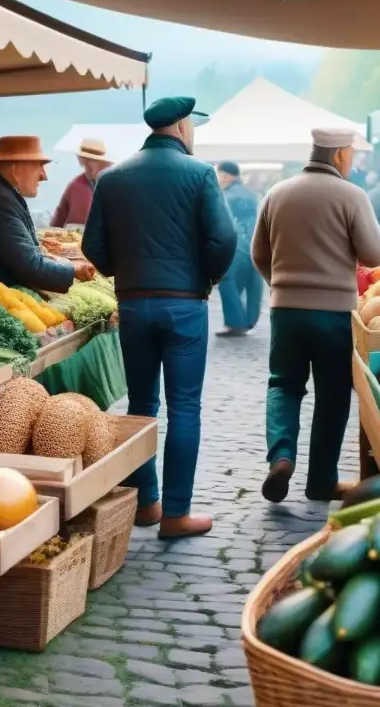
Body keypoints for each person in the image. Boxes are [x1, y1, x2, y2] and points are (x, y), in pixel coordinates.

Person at [82, 97, 236, 539]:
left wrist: (121, 272)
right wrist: (207, 277)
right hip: (185, 303)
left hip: (133, 304)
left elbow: (94, 245)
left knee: (142, 404)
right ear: (183, 129)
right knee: (185, 406)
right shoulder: (201, 173)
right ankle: (177, 513)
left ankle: (146, 503)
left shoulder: (112, 177)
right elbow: (224, 237)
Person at [252, 128, 380, 503]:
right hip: (333, 314)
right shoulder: (351, 195)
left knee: (283, 384)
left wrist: (280, 285)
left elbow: (259, 255)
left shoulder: (277, 193)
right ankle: (321, 481)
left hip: (285, 312)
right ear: (341, 156)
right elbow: (376, 253)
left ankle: (281, 457)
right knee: (332, 396)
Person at [0, 135, 93, 290]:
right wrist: (73, 269)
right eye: (39, 166)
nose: (44, 176)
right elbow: (31, 268)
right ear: (15, 171)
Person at [216, 160, 263, 336]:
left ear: (226, 175)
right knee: (250, 281)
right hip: (254, 241)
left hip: (236, 242)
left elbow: (220, 220)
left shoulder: (226, 195)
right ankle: (248, 320)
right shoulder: (251, 194)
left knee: (227, 280)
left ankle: (235, 324)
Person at [51, 138, 113, 229]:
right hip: (74, 238)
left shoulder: (116, 184)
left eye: (89, 163)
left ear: (103, 162)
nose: (85, 167)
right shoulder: (75, 185)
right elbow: (59, 218)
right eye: (84, 164)